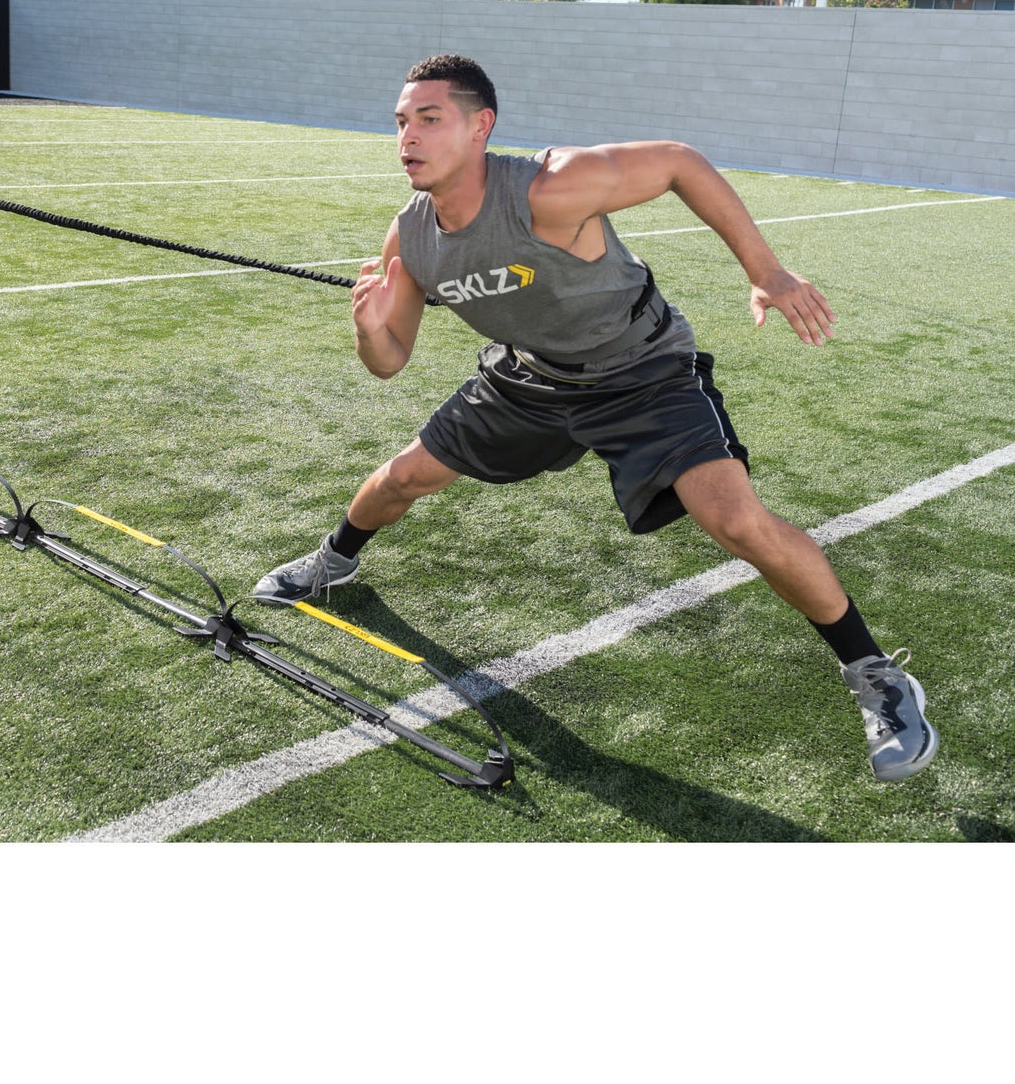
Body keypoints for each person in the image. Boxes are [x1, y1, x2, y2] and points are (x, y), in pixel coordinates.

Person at [253, 54, 938, 783]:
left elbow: (678, 162)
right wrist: (367, 328)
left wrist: (765, 271)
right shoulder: (410, 239)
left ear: (480, 126)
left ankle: (878, 677)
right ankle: (333, 560)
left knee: (736, 521)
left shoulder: (552, 186)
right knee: (403, 477)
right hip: (531, 377)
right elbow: (389, 360)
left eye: (429, 118)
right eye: (400, 122)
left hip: (640, 371)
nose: (408, 137)